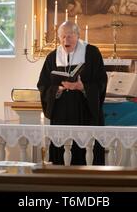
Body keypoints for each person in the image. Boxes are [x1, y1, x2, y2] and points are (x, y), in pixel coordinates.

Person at [37, 21, 107, 165]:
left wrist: (83, 87)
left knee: (86, 158)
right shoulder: (52, 57)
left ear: (78, 35)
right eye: (62, 37)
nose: (66, 40)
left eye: (70, 36)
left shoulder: (92, 53)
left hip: (86, 115)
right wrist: (57, 90)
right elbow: (43, 85)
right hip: (62, 116)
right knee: (62, 158)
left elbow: (101, 82)